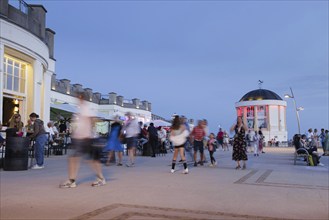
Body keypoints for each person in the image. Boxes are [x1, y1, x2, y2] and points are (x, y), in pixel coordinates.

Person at [60, 93, 106, 188]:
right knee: (76, 158)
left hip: (86, 138)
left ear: (82, 98)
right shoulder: (80, 109)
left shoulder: (85, 108)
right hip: (80, 138)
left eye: (79, 97)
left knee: (90, 160)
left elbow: (92, 120)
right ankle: (72, 180)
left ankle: (100, 178)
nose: (78, 99)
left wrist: (89, 133)